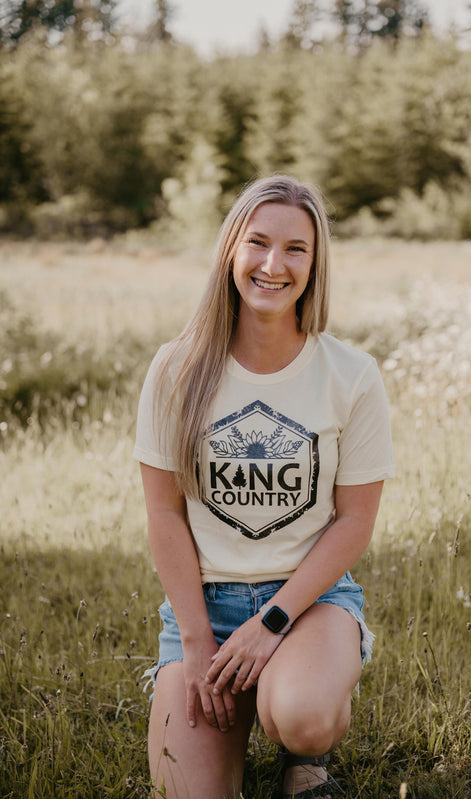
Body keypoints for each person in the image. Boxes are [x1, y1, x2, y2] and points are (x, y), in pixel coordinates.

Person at [133, 175, 395, 799]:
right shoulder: (176, 370)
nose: (273, 264)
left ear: (315, 263)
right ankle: (246, 698)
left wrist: (273, 621)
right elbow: (164, 515)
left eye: (296, 249)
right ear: (231, 251)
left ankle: (305, 755)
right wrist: (197, 642)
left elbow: (353, 520)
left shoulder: (351, 376)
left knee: (300, 717)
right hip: (206, 608)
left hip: (306, 603)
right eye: (258, 242)